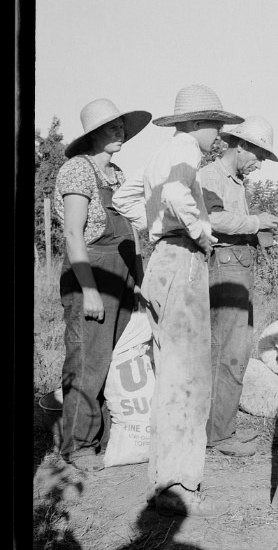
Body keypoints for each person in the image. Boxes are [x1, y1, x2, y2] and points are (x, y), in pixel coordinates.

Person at [132, 84, 244, 517]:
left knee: (171, 372)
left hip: (162, 258)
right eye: (215, 123)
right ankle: (178, 484)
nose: (218, 132)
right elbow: (179, 198)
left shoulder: (160, 156)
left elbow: (131, 201)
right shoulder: (186, 152)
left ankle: (166, 476)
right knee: (188, 376)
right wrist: (202, 234)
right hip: (181, 256)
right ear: (196, 123)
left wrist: (157, 227)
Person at [54, 98, 151, 472]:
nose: (120, 132)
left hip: (124, 272)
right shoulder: (77, 170)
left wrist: (140, 281)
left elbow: (131, 235)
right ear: (92, 134)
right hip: (90, 271)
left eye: (122, 126)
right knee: (88, 359)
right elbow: (74, 236)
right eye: (112, 127)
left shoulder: (119, 176)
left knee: (116, 357)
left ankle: (110, 437)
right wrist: (90, 289)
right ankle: (77, 445)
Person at [198, 116, 278, 456]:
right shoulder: (210, 175)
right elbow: (213, 220)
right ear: (241, 146)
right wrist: (256, 221)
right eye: (258, 156)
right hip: (226, 268)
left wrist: (257, 231)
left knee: (236, 348)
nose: (259, 165)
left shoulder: (236, 180)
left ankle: (223, 426)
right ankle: (218, 434)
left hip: (238, 266)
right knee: (226, 349)